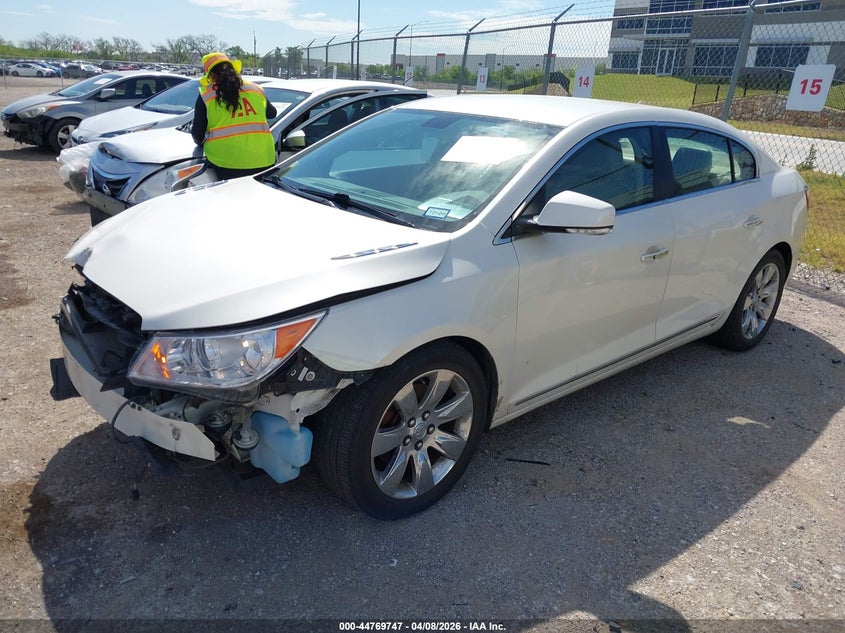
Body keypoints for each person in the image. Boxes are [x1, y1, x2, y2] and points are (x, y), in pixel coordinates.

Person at [191, 52, 278, 180]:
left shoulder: (207, 94)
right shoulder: (255, 89)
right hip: (263, 160)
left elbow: (197, 134)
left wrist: (200, 142)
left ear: (211, 74)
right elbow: (272, 113)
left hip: (226, 162)